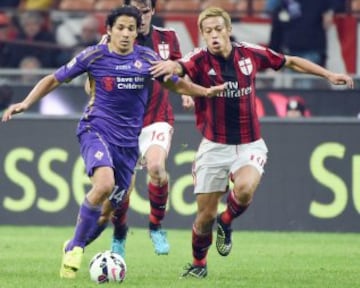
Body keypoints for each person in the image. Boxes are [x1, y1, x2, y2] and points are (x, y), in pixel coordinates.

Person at [1, 5, 226, 279]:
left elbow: (175, 83)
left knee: (108, 212)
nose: (126, 33)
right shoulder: (94, 55)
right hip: (95, 129)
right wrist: (25, 103)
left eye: (131, 29)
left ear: (136, 33)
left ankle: (75, 244)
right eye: (120, 27)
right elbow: (54, 79)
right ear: (109, 30)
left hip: (128, 144)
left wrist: (204, 91)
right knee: (104, 184)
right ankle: (74, 250)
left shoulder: (147, 59)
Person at [150, 6, 353, 278]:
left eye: (219, 29)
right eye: (208, 31)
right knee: (203, 218)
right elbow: (179, 68)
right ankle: (199, 265)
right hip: (214, 146)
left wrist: (329, 75)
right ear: (201, 34)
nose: (214, 35)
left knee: (244, 190)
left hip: (249, 143)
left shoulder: (249, 54)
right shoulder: (198, 59)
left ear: (229, 30)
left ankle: (227, 221)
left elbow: (290, 61)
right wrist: (173, 70)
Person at [83, 0, 191, 258]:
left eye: (145, 11)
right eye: (136, 11)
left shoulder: (169, 37)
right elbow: (91, 82)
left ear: (153, 11)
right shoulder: (110, 40)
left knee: (156, 167)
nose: (140, 18)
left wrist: (188, 92)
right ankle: (120, 234)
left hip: (157, 118)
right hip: (122, 123)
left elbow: (181, 68)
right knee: (121, 190)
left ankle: (156, 226)